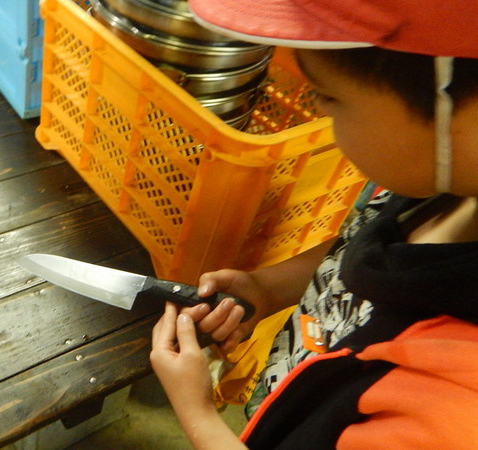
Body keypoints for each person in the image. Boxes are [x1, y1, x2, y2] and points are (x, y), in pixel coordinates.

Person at [149, 0, 478, 448]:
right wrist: (266, 288)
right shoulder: (441, 182)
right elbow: (363, 252)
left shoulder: (453, 406)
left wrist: (198, 414)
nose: (317, 108)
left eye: (330, 97)